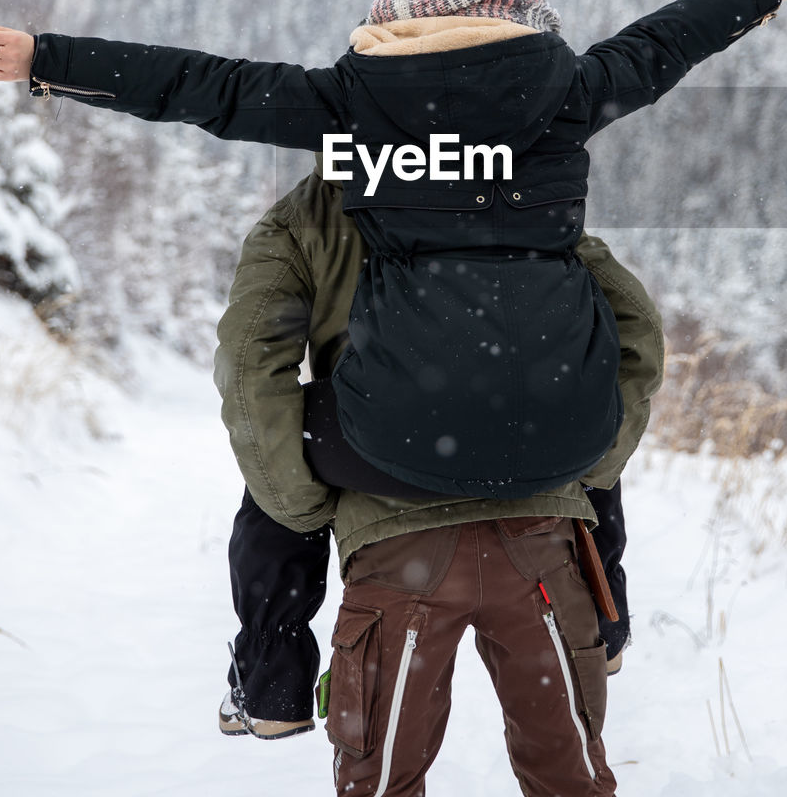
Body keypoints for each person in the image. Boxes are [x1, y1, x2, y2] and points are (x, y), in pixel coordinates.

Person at [0, 0, 787, 507]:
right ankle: (610, 620)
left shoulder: (350, 102)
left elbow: (206, 87)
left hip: (397, 437)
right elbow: (666, 41)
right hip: (565, 432)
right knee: (598, 400)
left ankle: (269, 680)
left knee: (275, 458)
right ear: (515, 5)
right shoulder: (569, 93)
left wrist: (47, 60)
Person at [213, 160, 661, 793]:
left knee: (380, 784)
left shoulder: (310, 212)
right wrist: (587, 465)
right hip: (540, 535)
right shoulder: (516, 184)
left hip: (395, 544)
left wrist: (303, 505)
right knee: (572, 783)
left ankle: (270, 683)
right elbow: (635, 327)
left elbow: (250, 366)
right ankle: (607, 624)